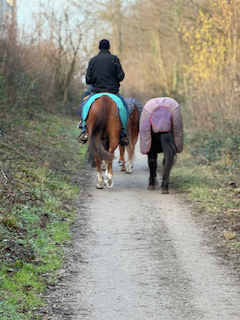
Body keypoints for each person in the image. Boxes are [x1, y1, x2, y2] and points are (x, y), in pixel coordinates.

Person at [78, 39, 129, 145]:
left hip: (96, 92)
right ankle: (123, 134)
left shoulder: (93, 60)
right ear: (109, 47)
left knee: (84, 106)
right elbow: (121, 76)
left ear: (99, 48)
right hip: (113, 92)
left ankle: (85, 131)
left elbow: (88, 80)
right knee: (126, 108)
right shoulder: (114, 59)